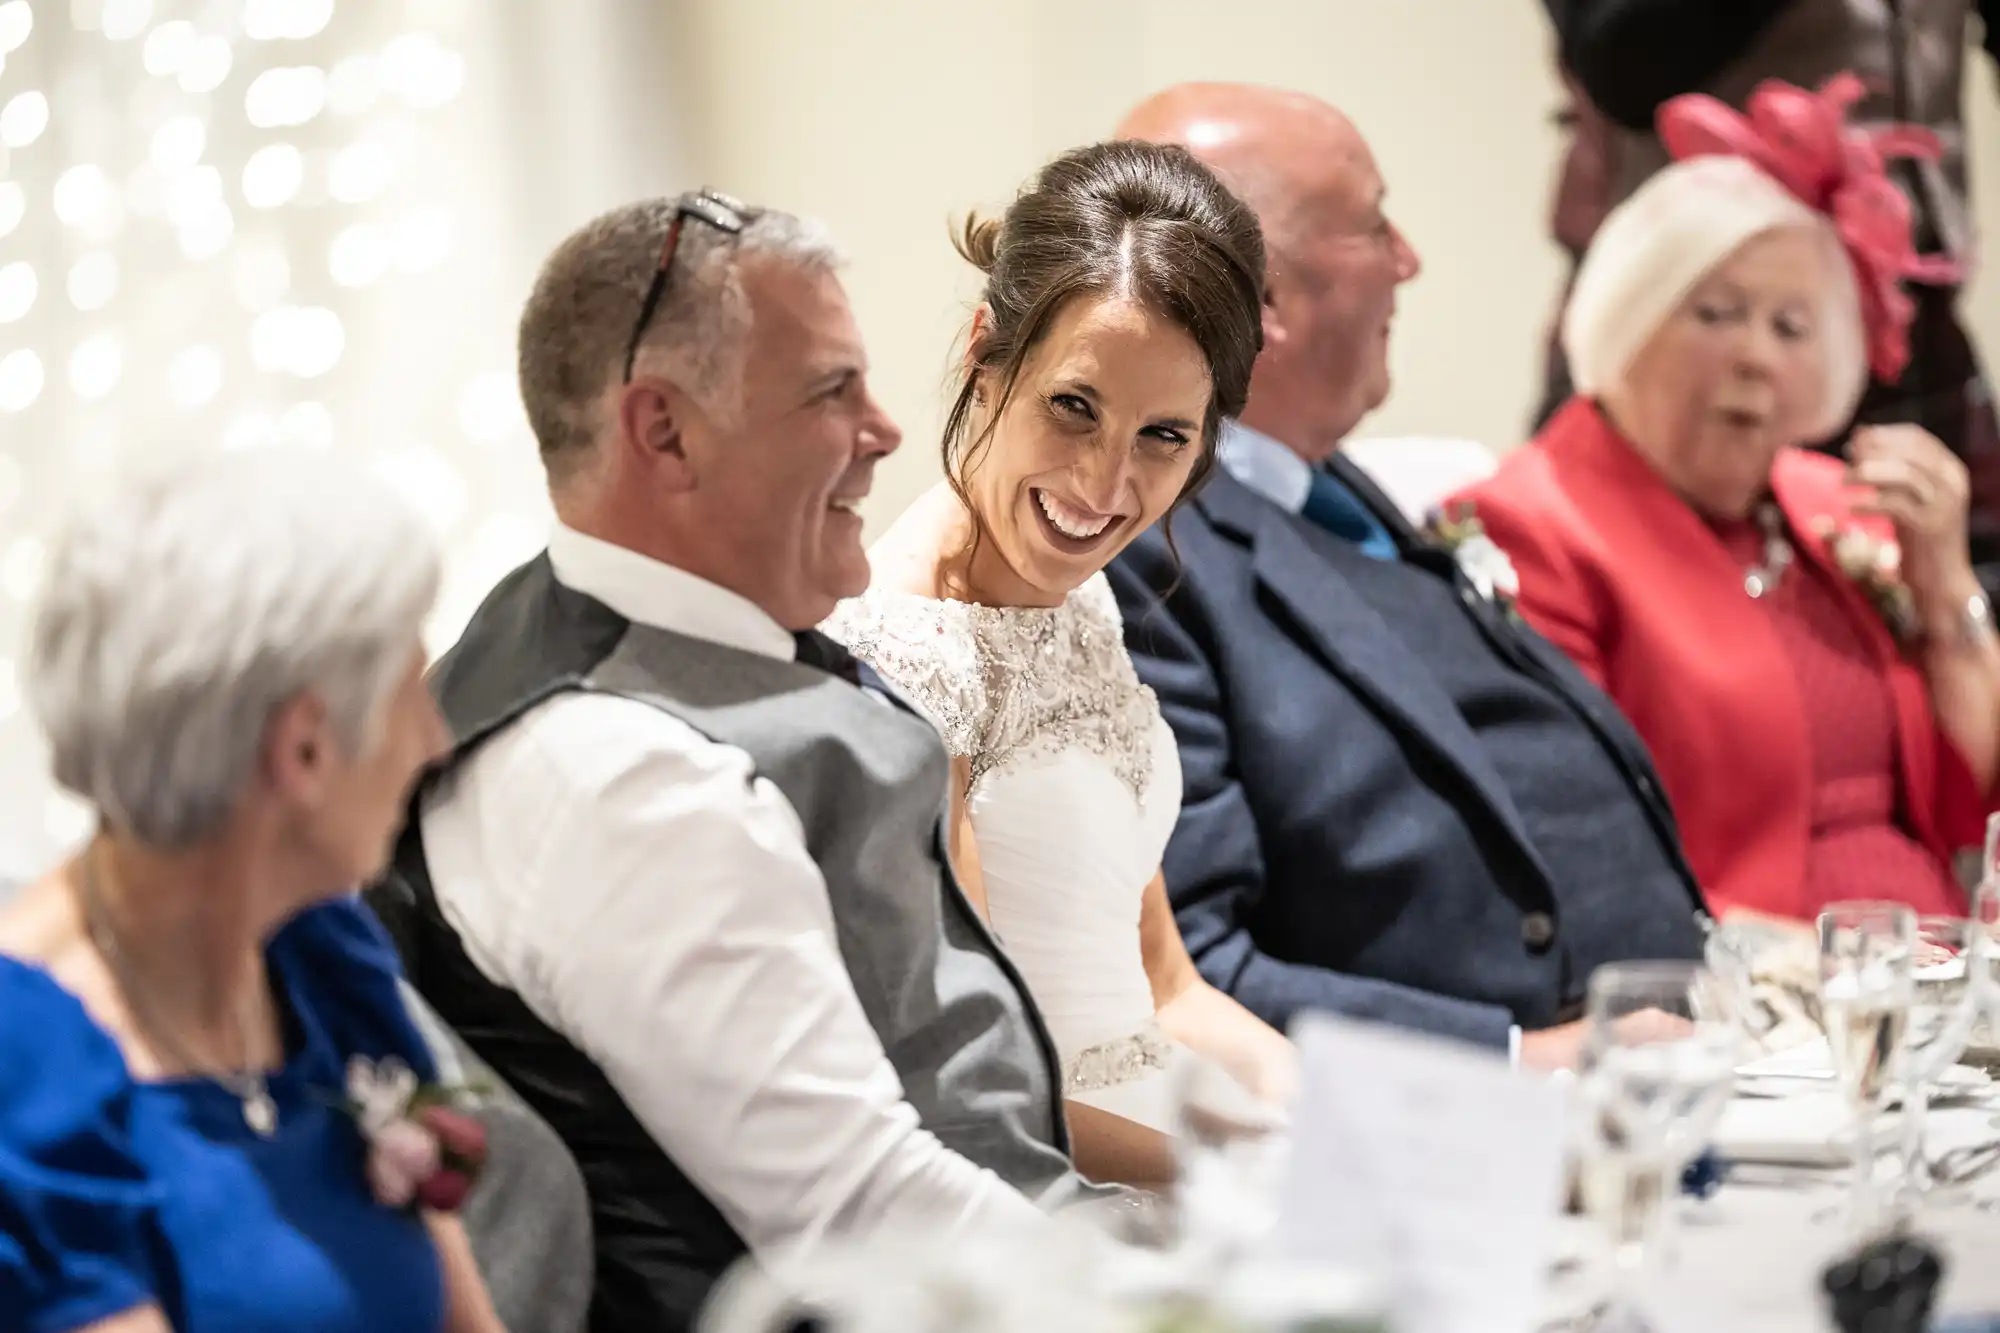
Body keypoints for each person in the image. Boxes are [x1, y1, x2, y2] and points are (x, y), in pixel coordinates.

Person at [370, 192, 1104, 1333]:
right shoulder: (622, 776)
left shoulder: (628, 635)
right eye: (829, 392)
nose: (886, 430)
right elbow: (863, 1216)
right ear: (661, 430)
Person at [1105, 83, 1709, 1070]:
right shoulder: (1147, 557)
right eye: (1373, 224)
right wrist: (1526, 1057)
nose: (1407, 261)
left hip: (1689, 1058)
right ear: (1259, 302)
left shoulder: (1340, 489)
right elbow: (1194, 968)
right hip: (1481, 1128)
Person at [825, 141, 1292, 1181]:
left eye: (1162, 436)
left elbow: (1166, 986)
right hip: (1056, 1183)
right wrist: (1251, 1181)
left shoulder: (1081, 600)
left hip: (1175, 1123)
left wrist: (1343, 1119)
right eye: (1072, 407)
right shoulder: (897, 655)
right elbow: (973, 1086)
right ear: (985, 355)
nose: (1101, 483)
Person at [1451, 76, 2000, 922]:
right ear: (1628, 316)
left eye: (1790, 327)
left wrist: (1944, 582)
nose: (1756, 357)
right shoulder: (1528, 520)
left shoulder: (1835, 503)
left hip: (1926, 970)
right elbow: (1570, 842)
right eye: (1716, 312)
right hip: (1737, 988)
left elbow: (1970, 799)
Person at [0, 453, 504, 1333]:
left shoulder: (323, 956)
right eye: (412, 696)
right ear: (304, 747)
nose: (436, 741)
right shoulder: (26, 1065)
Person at [1539, 0, 2000, 590]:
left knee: (1947, 592)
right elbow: (1618, 64)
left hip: (1907, 312)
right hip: (1700, 312)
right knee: (1647, 593)